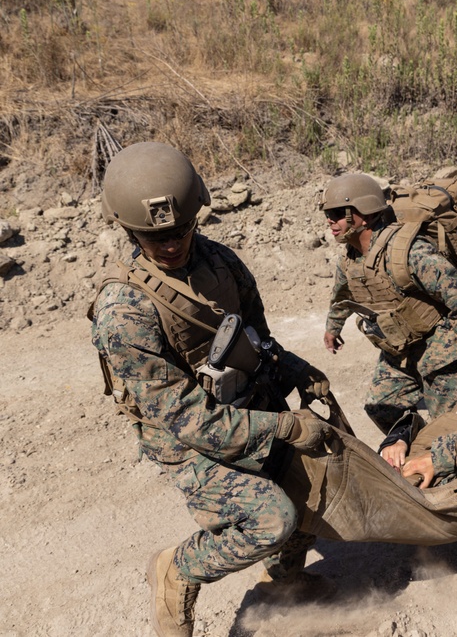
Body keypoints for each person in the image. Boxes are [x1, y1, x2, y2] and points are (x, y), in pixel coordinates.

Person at [89, 142, 335, 637]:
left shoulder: (220, 264)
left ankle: (283, 582)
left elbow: (260, 341)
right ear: (127, 230)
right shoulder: (124, 310)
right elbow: (189, 421)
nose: (171, 245)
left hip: (243, 404)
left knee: (313, 477)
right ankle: (177, 573)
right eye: (152, 236)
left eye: (180, 230)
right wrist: (285, 426)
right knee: (270, 518)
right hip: (184, 438)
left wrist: (301, 374)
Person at [321, 173, 457, 469]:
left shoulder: (408, 252)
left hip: (441, 350)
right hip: (398, 350)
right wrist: (333, 327)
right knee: (379, 405)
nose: (330, 222)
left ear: (363, 214)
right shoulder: (350, 258)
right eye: (328, 215)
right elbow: (341, 293)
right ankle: (418, 444)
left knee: (456, 426)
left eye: (337, 214)